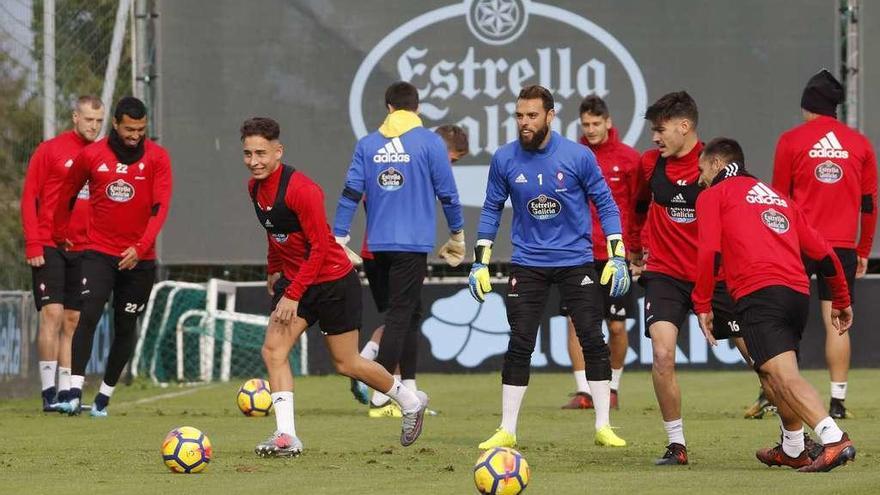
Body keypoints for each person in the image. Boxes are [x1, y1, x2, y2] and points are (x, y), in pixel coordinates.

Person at [242, 117, 428, 457]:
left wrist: (293, 294)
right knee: (273, 351)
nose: (254, 161)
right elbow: (274, 233)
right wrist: (274, 271)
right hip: (298, 281)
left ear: (278, 152)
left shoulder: (302, 190)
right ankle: (286, 436)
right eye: (248, 154)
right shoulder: (254, 188)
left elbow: (318, 248)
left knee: (347, 363)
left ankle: (410, 401)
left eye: (261, 153)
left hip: (332, 282)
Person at [470, 85, 629, 450]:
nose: (524, 123)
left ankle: (603, 426)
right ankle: (507, 428)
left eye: (532, 116)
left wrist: (617, 253)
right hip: (528, 264)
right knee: (520, 342)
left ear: (550, 116)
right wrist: (480, 261)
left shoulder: (578, 156)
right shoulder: (504, 158)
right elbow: (493, 208)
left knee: (593, 338)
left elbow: (605, 203)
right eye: (519, 116)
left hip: (576, 262)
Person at [693, 137, 856, 472]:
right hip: (796, 293)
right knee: (772, 373)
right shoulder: (778, 198)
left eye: (701, 169)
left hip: (759, 293)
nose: (699, 178)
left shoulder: (713, 195)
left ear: (716, 164)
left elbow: (709, 251)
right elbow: (824, 253)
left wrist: (702, 302)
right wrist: (841, 298)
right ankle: (793, 447)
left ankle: (833, 438)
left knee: (784, 377)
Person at [333, 82, 465, 417]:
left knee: (406, 316)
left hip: (376, 247)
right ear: (416, 109)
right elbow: (447, 193)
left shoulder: (368, 144)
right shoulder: (431, 143)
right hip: (410, 245)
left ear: (389, 108)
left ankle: (409, 388)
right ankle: (381, 392)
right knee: (400, 318)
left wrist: (339, 237)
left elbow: (350, 193)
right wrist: (457, 234)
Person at [633, 91, 746, 465]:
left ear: (685, 127)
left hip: (714, 277)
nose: (654, 137)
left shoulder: (716, 167)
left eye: (660, 129)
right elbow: (636, 207)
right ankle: (676, 444)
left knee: (760, 357)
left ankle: (793, 439)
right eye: (652, 130)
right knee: (662, 355)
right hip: (665, 274)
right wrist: (634, 249)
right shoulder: (650, 164)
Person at [52, 96, 171, 417]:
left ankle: (103, 397)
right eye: (129, 128)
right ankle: (74, 392)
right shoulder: (92, 155)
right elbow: (67, 193)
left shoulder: (158, 158)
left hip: (140, 259)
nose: (135, 135)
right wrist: (59, 232)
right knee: (86, 315)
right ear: (116, 124)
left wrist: (141, 247)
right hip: (99, 252)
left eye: (141, 129)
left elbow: (160, 209)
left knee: (125, 324)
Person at [771, 69, 877, 420]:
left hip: (798, 243)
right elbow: (869, 204)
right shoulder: (860, 143)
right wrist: (863, 249)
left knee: (786, 320)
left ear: (807, 105)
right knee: (837, 321)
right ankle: (837, 401)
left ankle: (782, 393)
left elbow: (779, 200)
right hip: (841, 247)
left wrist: (775, 245)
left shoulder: (791, 140)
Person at [21, 95, 104, 411]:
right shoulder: (50, 150)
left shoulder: (102, 155)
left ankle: (69, 394)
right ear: (75, 117)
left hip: (85, 250)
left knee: (73, 320)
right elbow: (29, 197)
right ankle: (48, 393)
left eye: (98, 121)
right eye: (88, 120)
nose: (93, 126)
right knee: (52, 315)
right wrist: (33, 242)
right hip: (49, 245)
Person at [560, 96, 642, 411]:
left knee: (617, 326)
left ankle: (612, 388)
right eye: (586, 124)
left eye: (596, 123)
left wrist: (635, 248)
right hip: (577, 253)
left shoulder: (630, 159)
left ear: (608, 122)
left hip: (614, 255)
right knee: (575, 323)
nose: (591, 129)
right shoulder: (571, 156)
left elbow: (637, 207)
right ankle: (584, 392)